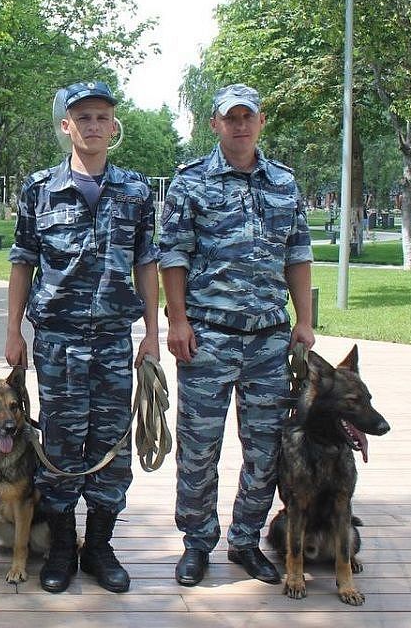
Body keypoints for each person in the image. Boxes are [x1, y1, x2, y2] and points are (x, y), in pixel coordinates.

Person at [6, 80, 161, 594]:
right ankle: (62, 548)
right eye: (83, 117)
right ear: (65, 126)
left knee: (111, 445)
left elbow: (146, 264)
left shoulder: (136, 192)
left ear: (113, 126)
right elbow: (23, 261)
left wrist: (152, 337)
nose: (93, 126)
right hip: (57, 341)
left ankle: (99, 546)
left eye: (102, 117)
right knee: (60, 445)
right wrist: (13, 331)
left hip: (115, 340)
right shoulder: (38, 190)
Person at [158, 83, 315, 588]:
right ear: (215, 125)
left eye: (249, 116)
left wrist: (305, 321)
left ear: (261, 122)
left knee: (266, 449)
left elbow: (298, 255)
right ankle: (197, 542)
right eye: (231, 118)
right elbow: (174, 255)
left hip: (269, 341)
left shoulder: (285, 184)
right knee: (199, 448)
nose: (241, 125)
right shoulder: (190, 182)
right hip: (208, 338)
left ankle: (246, 540)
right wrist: (177, 321)